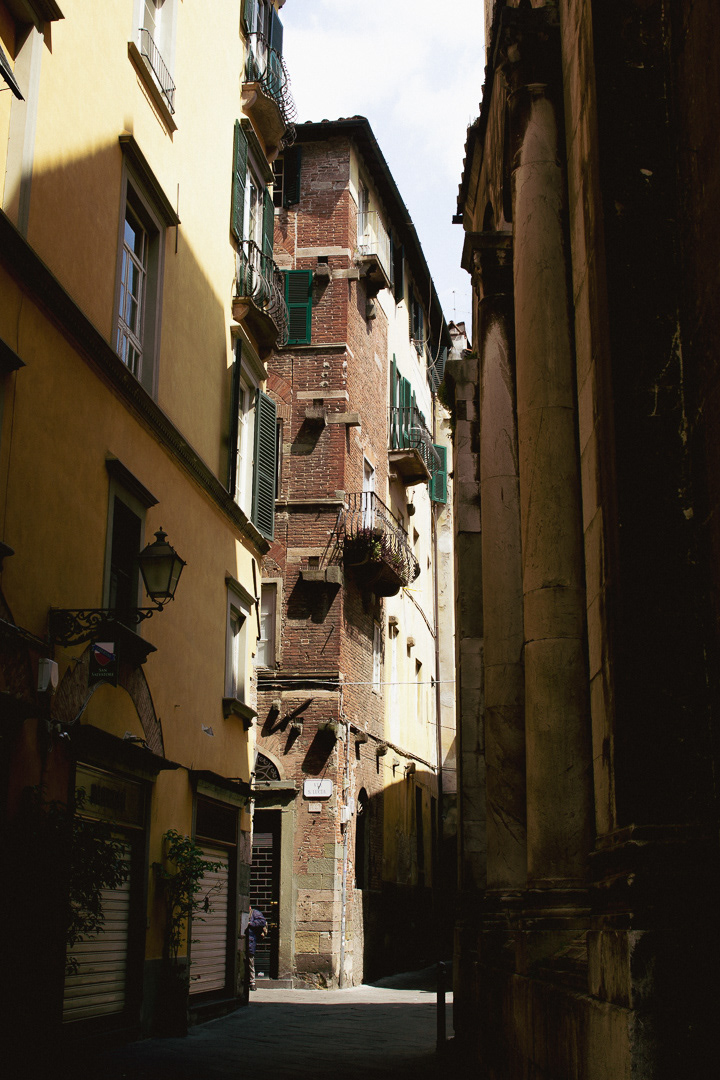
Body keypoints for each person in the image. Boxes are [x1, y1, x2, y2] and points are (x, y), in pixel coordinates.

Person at [247, 906, 267, 991]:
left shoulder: (254, 913)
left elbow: (262, 922)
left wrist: (251, 923)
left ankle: (252, 982)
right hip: (244, 940)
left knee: (250, 962)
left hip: (250, 941)